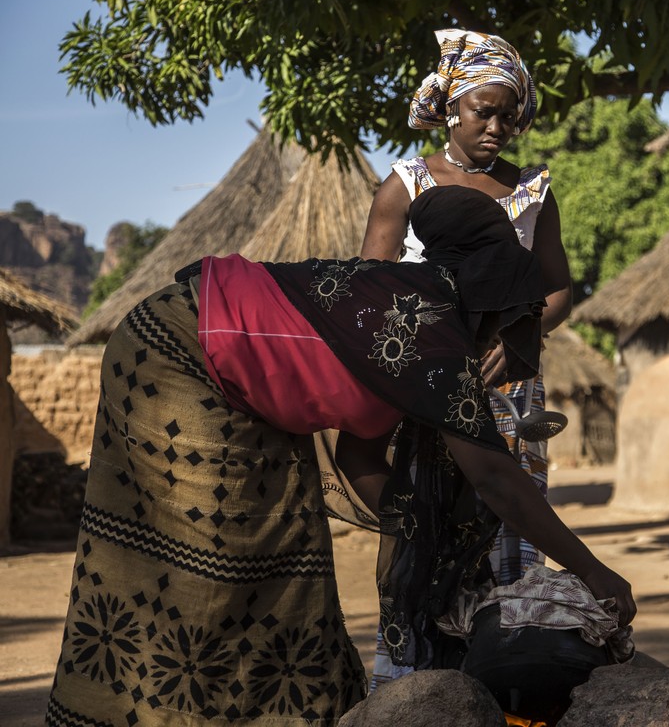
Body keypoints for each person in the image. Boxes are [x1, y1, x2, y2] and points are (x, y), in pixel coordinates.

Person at [46, 185, 634, 727]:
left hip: (224, 372)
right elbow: (497, 480)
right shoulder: (429, 329)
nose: (504, 326)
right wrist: (593, 571)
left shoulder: (411, 304)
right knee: (218, 563)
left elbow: (359, 456)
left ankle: (299, 713)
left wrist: (422, 533)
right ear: (486, 288)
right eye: (506, 306)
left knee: (292, 545)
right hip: (178, 351)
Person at [360, 29, 573, 680]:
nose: (499, 126)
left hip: (510, 400)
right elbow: (369, 288)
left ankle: (507, 684)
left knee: (512, 532)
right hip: (429, 395)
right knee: (430, 530)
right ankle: (413, 692)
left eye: (510, 114)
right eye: (486, 111)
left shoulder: (532, 190)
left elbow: (558, 288)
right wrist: (430, 353)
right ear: (451, 107)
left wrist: (518, 339)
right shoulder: (406, 184)